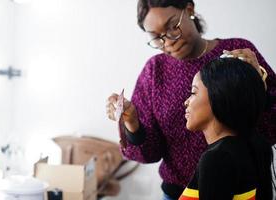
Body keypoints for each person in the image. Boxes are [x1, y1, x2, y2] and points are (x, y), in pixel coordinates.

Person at [106, 0, 276, 199]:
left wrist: (260, 84)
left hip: (243, 190)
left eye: (172, 26)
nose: (168, 41)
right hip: (180, 193)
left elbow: (271, 128)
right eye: (157, 38)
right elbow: (148, 153)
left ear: (188, 9)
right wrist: (133, 124)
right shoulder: (154, 72)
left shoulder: (236, 52)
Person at [180, 57, 274, 200]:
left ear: (218, 95)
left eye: (193, 92)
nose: (186, 102)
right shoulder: (252, 144)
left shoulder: (216, 159)